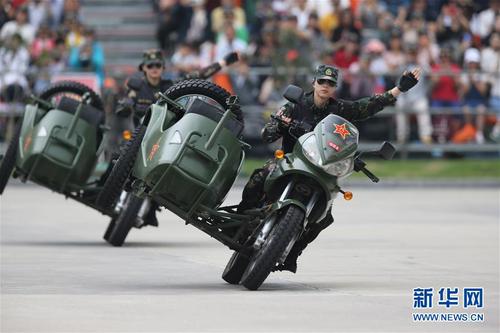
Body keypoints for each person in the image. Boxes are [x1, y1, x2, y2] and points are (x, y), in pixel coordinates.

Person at [238, 64, 421, 273]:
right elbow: (266, 134)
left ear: (335, 87)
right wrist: (281, 125)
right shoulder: (295, 105)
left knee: (324, 217)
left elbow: (369, 105)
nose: (325, 86)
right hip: (290, 160)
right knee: (260, 175)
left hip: (321, 170)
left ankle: (294, 252)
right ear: (314, 83)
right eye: (322, 81)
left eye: (331, 83)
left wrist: (399, 89)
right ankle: (241, 217)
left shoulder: (339, 109)